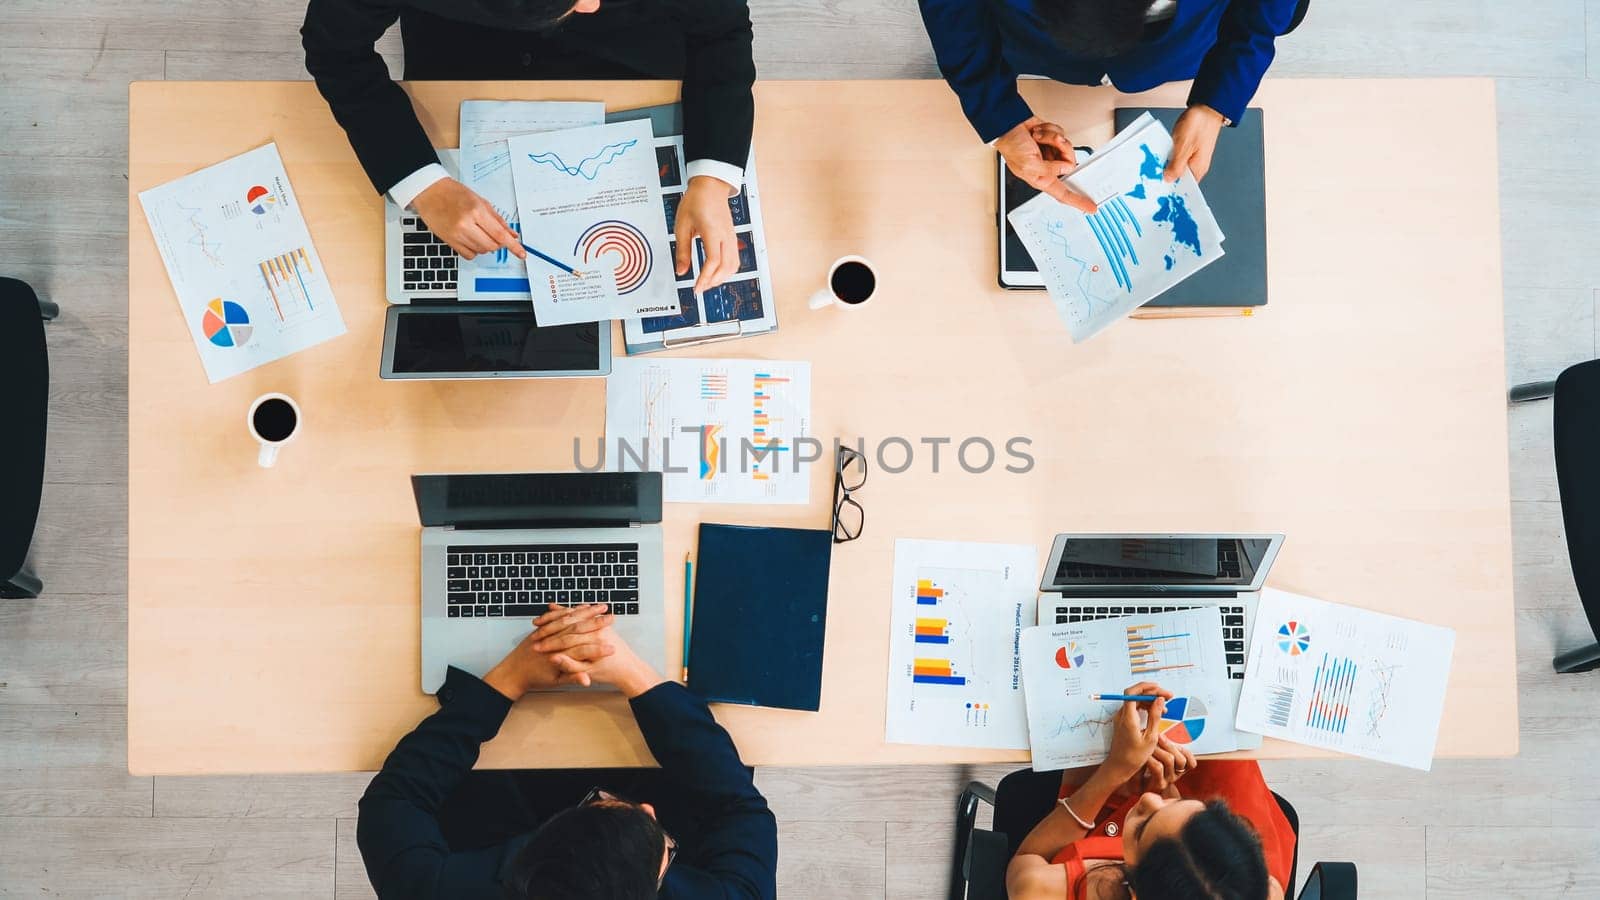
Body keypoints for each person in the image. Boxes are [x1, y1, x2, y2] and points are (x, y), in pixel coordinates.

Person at [302, 0, 755, 293]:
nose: (591, 3)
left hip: (631, 64)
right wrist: (422, 184)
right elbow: (334, 50)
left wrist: (712, 178)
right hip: (457, 64)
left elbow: (721, 33)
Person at [356, 603, 778, 899]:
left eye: (601, 805)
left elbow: (394, 799)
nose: (649, 810)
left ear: (534, 843)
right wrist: (630, 670)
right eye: (661, 845)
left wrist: (511, 676)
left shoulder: (432, 890)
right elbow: (740, 806)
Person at [917, 0, 1306, 212]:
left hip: (1184, 38)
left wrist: (1217, 102)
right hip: (1030, 38)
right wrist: (998, 115)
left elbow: (1261, 15)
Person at [1006, 682, 1295, 900]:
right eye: (1202, 806)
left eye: (1142, 827)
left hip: (1091, 816)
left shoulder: (1045, 889)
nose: (1148, 799)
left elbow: (1024, 865)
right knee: (1218, 702)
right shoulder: (1261, 890)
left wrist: (1115, 771)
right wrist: (1170, 789)